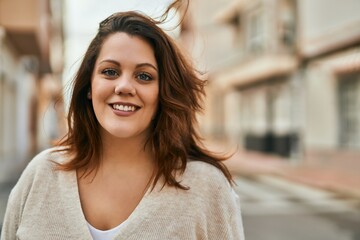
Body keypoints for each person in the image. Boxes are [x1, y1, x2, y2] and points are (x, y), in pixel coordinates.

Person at [1, 8, 245, 240]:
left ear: (163, 93)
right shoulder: (41, 174)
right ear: (89, 86)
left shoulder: (207, 188)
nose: (124, 87)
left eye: (144, 76)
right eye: (110, 72)